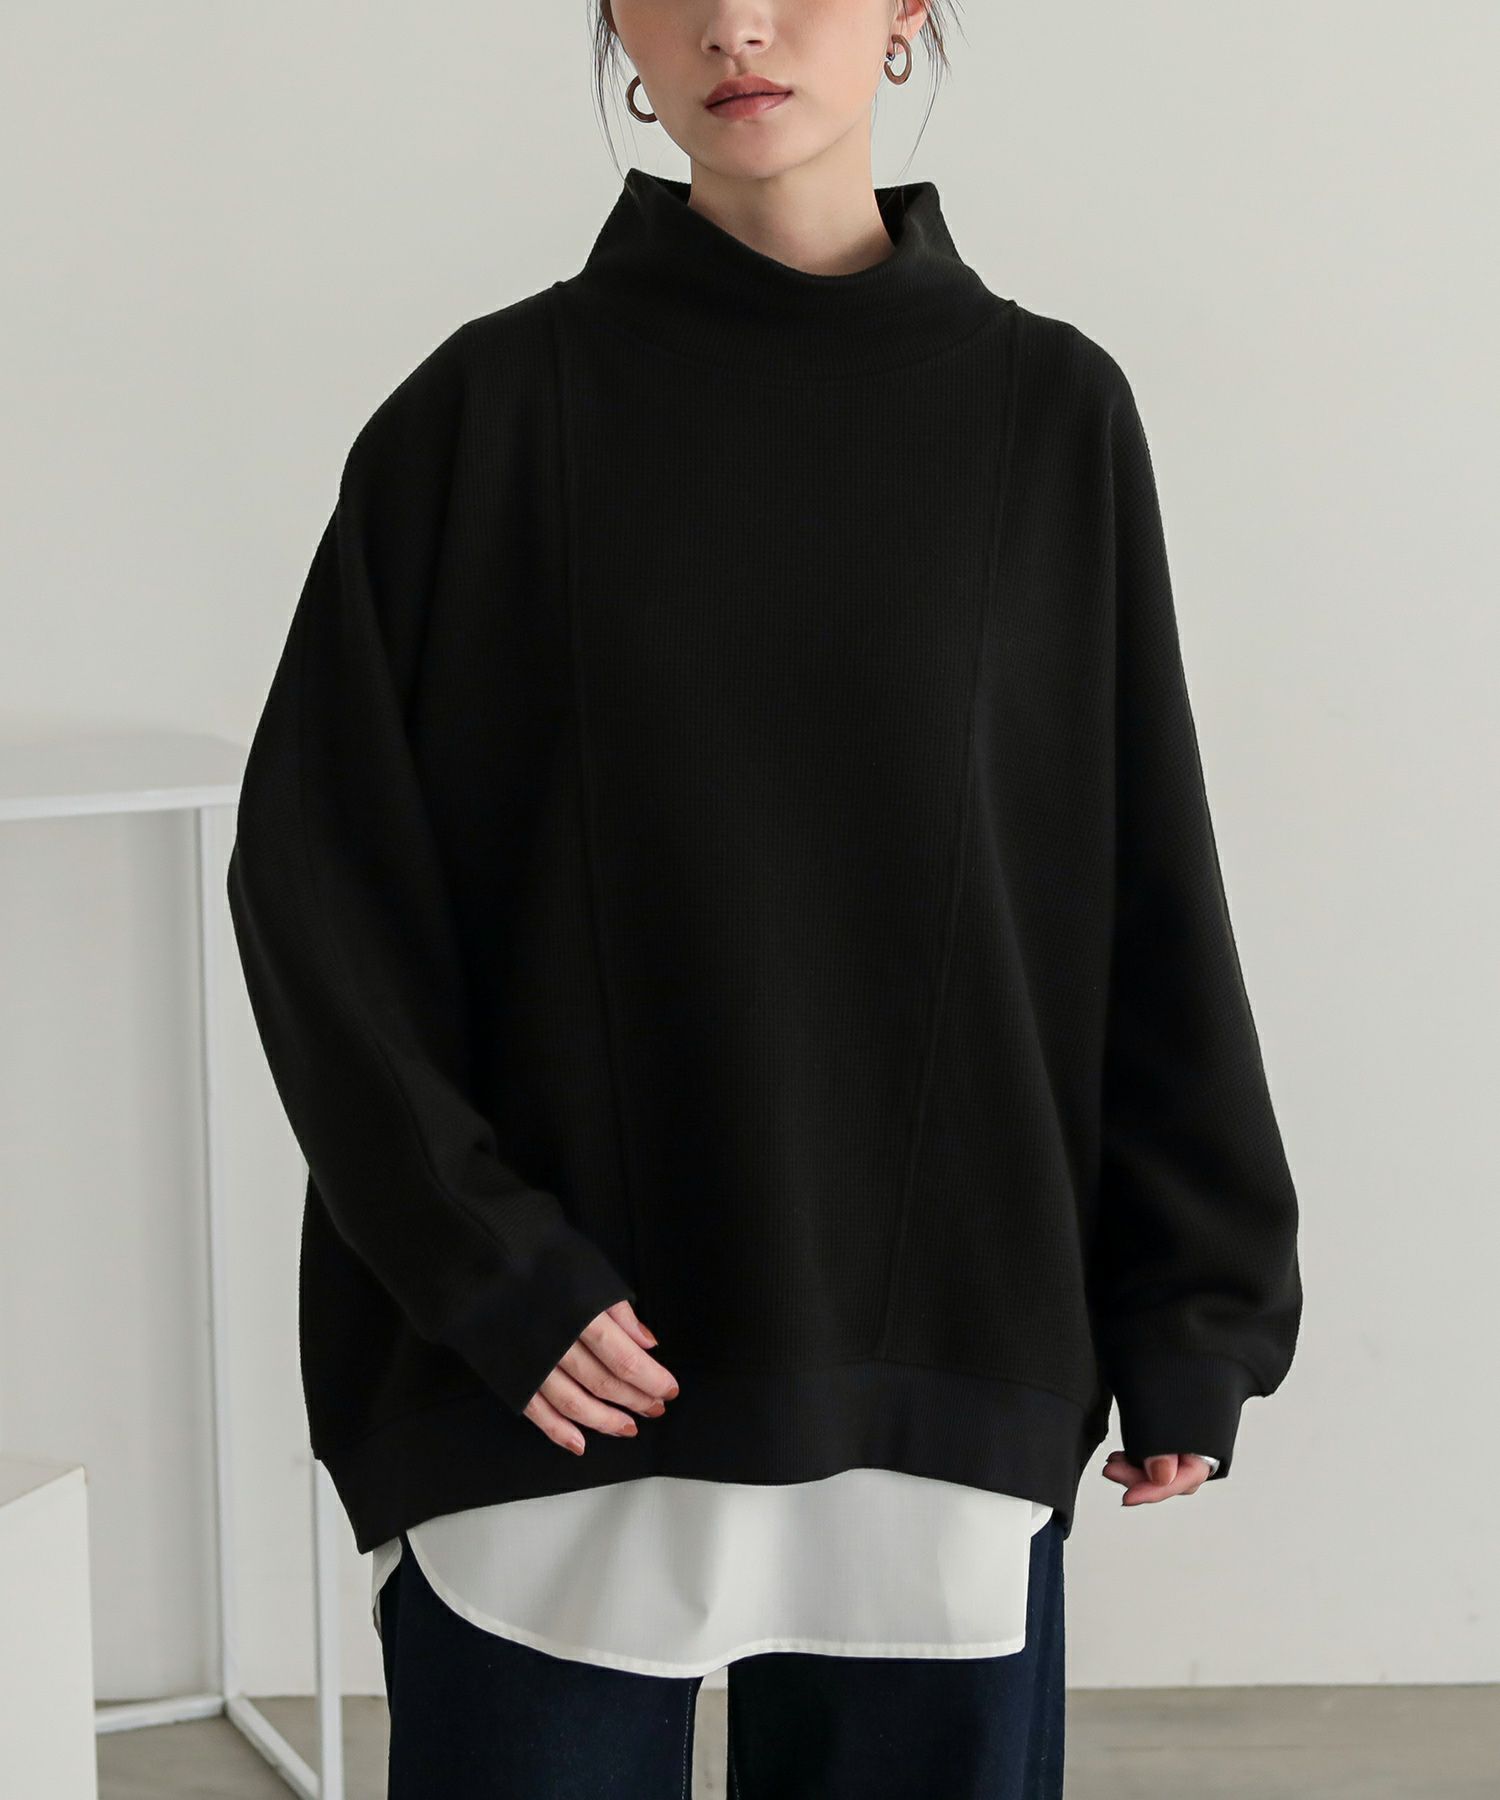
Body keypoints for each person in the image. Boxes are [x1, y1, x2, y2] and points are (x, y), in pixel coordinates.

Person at [226, 3, 1302, 1795]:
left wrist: (1196, 1303)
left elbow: (1140, 882)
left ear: (907, 14)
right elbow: (318, 892)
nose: (736, 21)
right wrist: (487, 1265)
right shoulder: (482, 416)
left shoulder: (1050, 416)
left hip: (939, 1355)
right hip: (563, 1376)